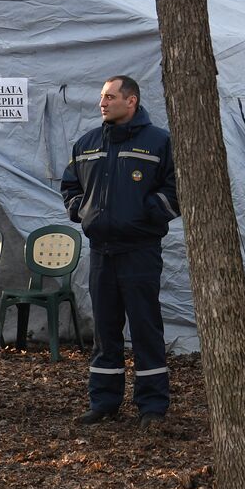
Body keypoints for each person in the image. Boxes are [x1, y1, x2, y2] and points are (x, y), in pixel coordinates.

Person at [61, 76, 178, 429]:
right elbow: (70, 185)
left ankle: (152, 407)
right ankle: (104, 401)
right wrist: (83, 210)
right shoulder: (87, 143)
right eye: (101, 97)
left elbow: (177, 189)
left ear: (131, 101)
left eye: (110, 97)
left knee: (145, 328)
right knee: (106, 330)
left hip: (140, 251)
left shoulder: (159, 142)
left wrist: (147, 213)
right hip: (101, 252)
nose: (102, 102)